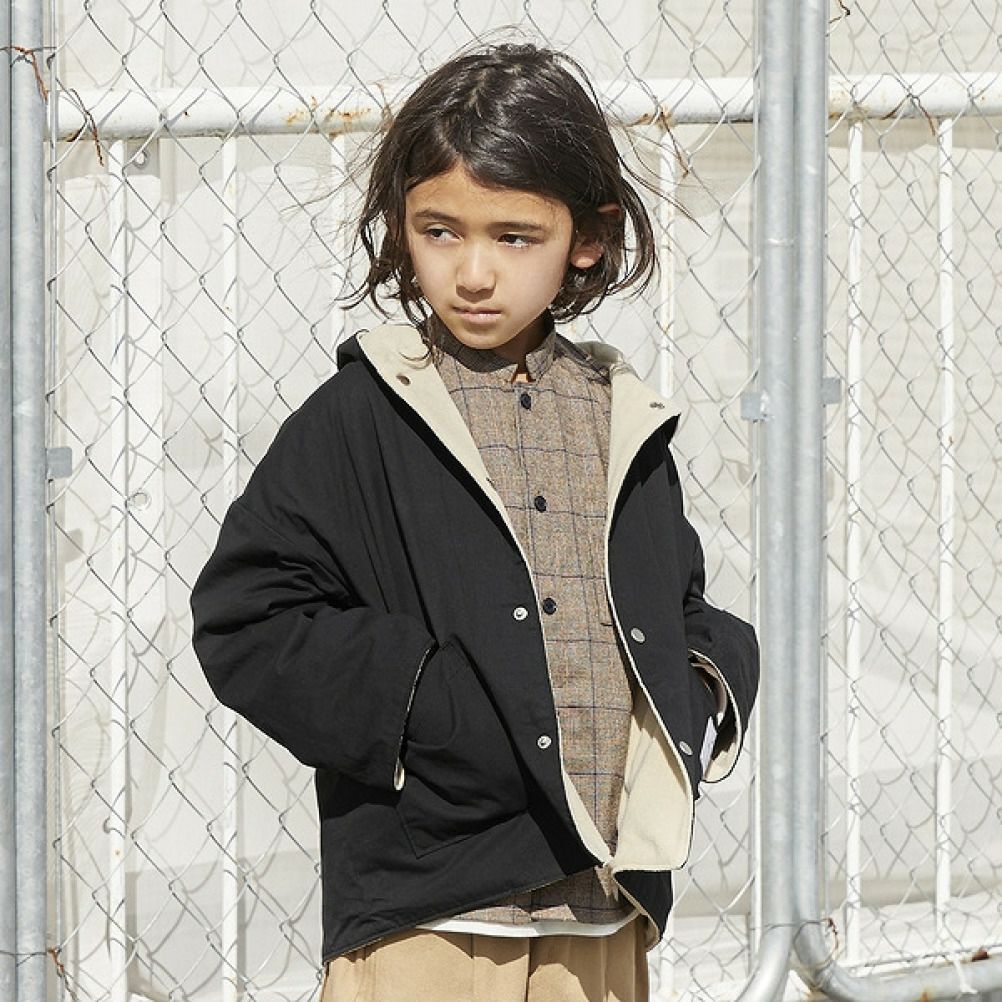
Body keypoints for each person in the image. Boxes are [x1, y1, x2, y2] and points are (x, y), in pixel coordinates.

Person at [190, 42, 759, 1002]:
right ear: (401, 226)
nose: (473, 272)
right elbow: (246, 617)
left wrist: (705, 689)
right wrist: (429, 710)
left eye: (514, 236)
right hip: (430, 917)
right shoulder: (362, 416)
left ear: (588, 238)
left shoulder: (620, 416)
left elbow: (677, 602)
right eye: (441, 231)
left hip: (604, 906)